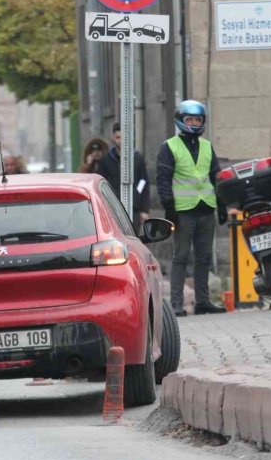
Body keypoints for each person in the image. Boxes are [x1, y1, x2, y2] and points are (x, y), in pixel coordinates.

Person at [157, 100, 228, 317]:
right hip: (183, 211)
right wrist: (169, 208)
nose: (194, 123)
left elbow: (217, 178)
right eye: (190, 119)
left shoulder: (207, 146)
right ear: (181, 121)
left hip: (206, 208)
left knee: (204, 258)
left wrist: (222, 203)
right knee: (181, 257)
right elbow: (163, 179)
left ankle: (203, 301)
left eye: (198, 119)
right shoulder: (169, 146)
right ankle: (176, 304)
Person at [97, 122, 151, 233]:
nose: (120, 141)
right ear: (113, 137)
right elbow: (100, 184)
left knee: (133, 238)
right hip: (111, 209)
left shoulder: (137, 159)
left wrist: (144, 209)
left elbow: (143, 182)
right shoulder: (106, 160)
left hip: (134, 209)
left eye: (124, 137)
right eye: (118, 137)